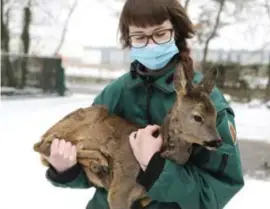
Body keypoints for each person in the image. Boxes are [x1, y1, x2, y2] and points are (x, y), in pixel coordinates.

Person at [44, 0, 244, 208]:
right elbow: (98, 173)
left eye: (160, 34)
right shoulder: (115, 94)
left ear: (176, 32)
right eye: (139, 37)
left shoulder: (207, 106)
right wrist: (67, 170)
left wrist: (156, 167)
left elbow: (215, 193)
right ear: (129, 40)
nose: (151, 45)